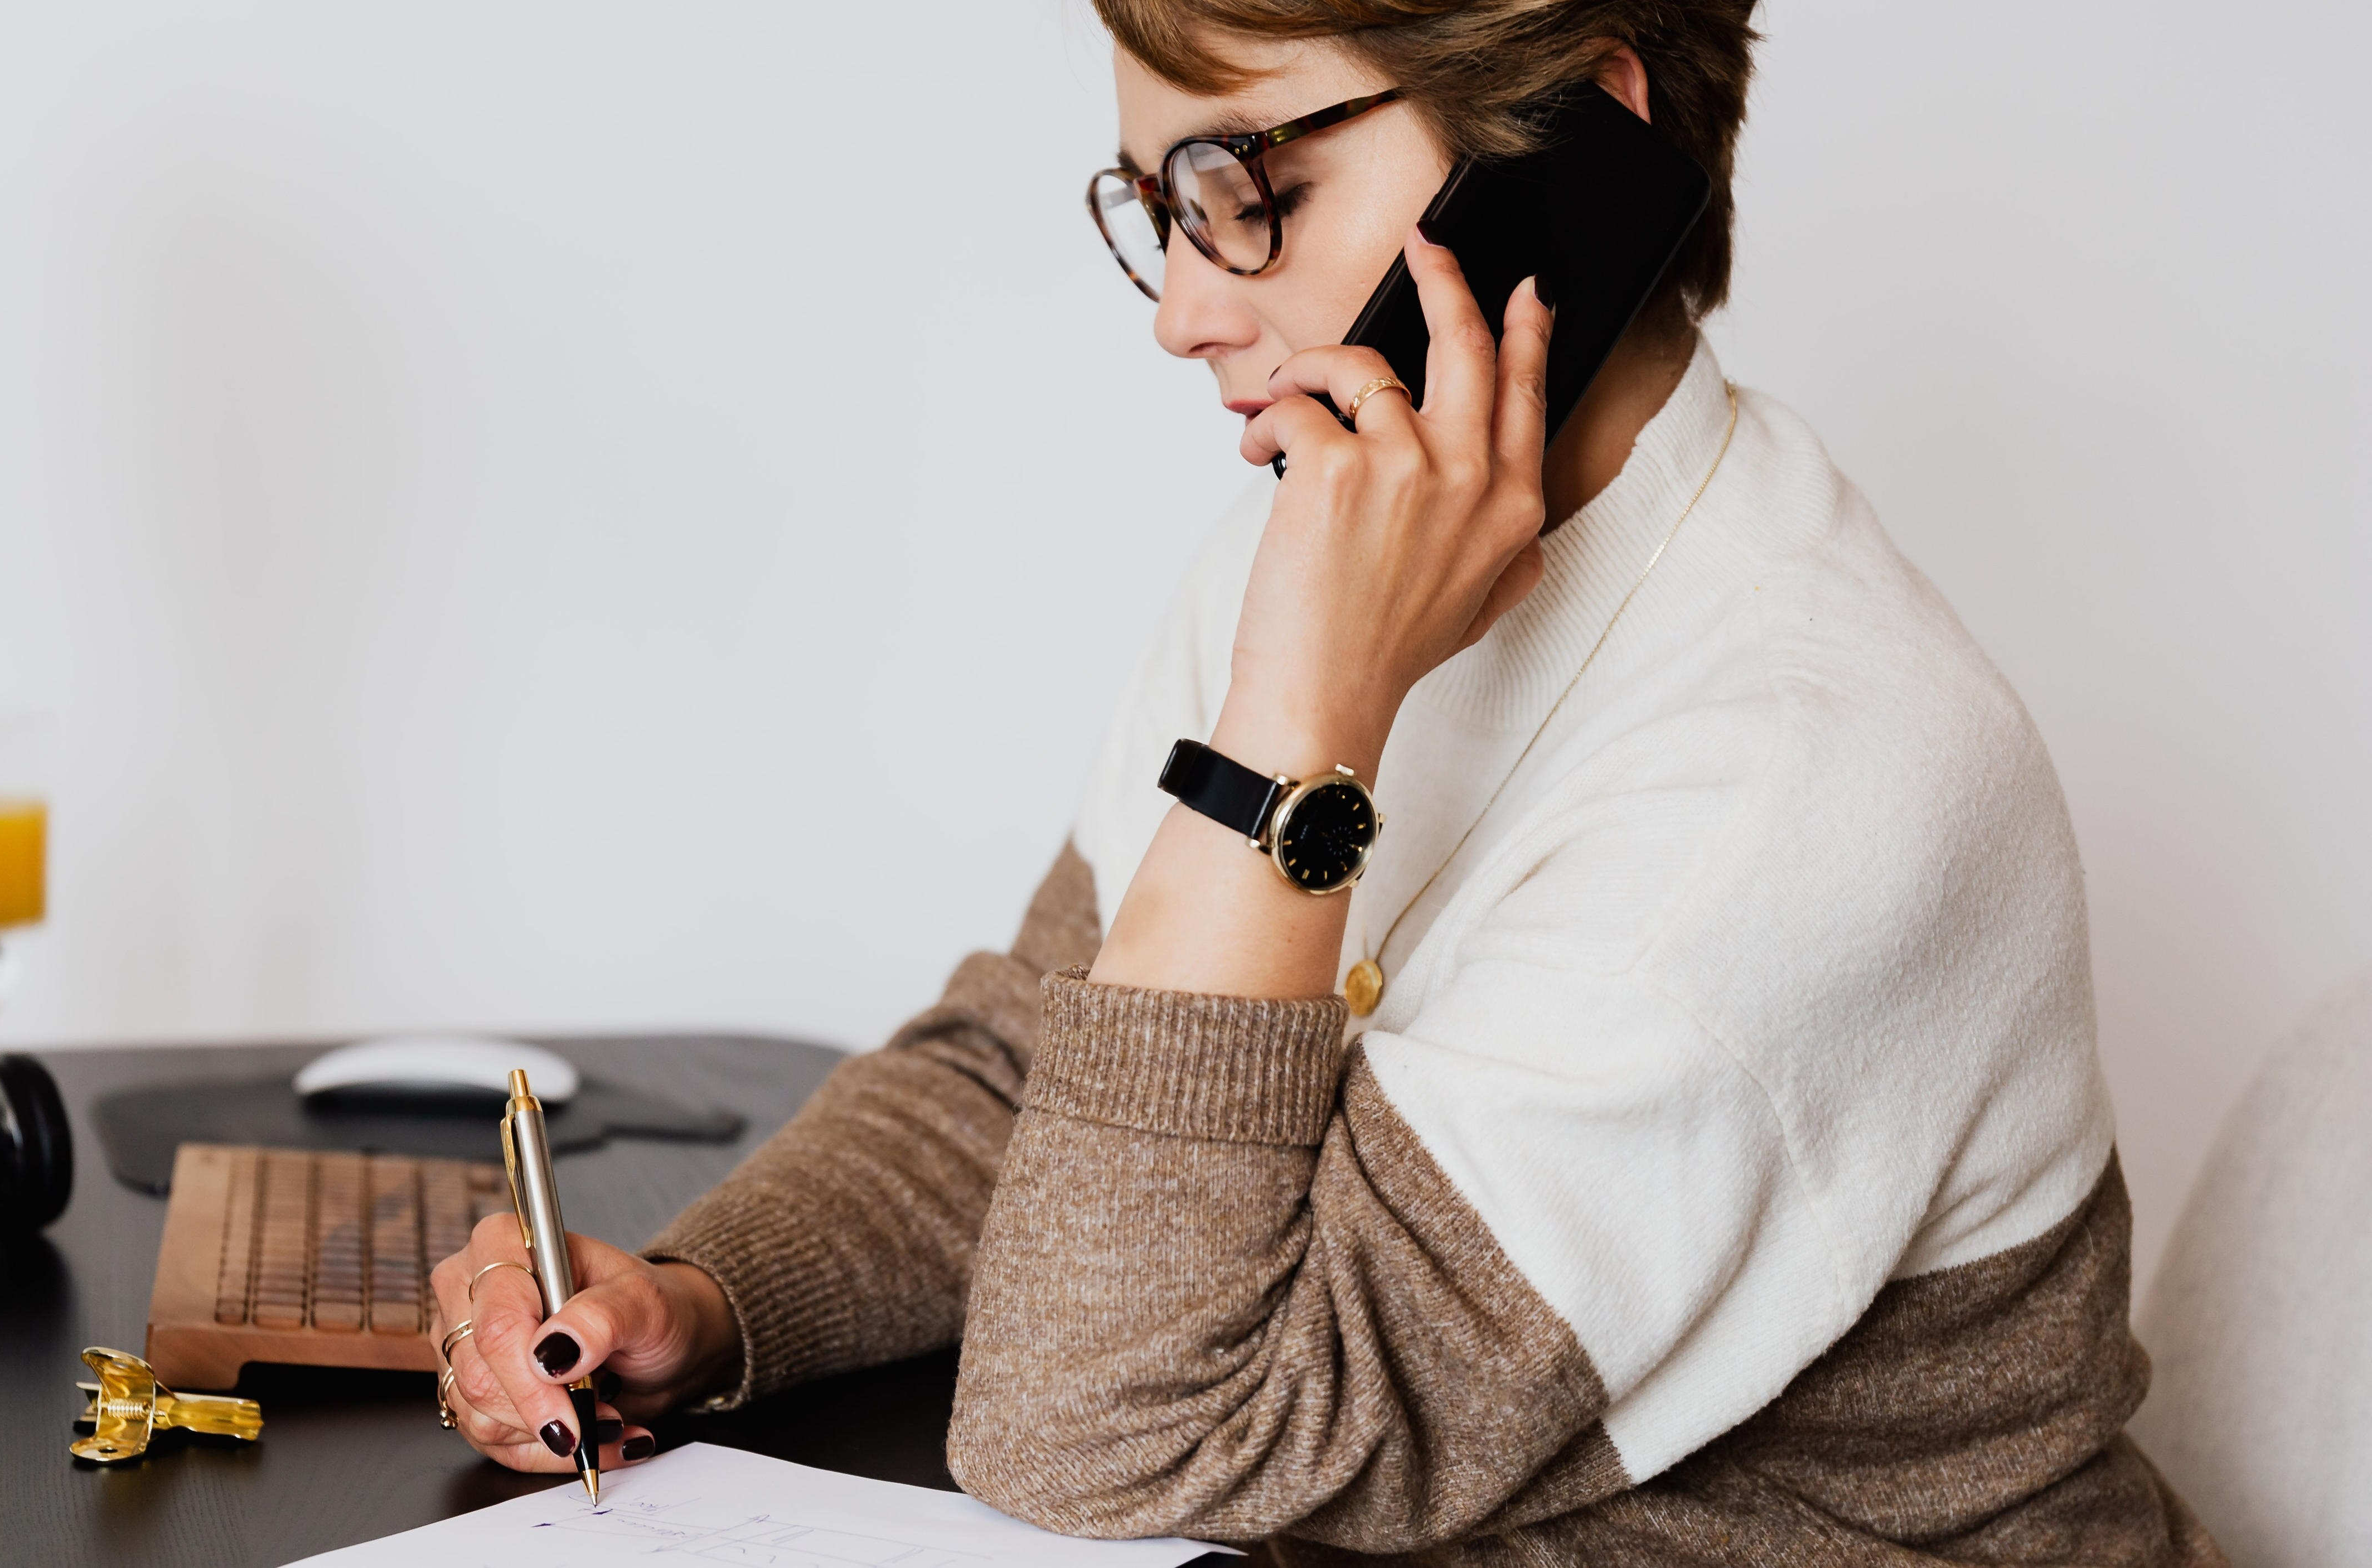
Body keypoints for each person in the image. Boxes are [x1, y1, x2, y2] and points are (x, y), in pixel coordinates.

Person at [430, 1, 2225, 1560]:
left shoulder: (1813, 774)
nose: (1182, 313)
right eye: (1157, 210)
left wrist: (1299, 718)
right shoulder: (1328, 552)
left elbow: (1099, 1428)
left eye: (1242, 192)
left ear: (1574, 143)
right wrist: (701, 1296)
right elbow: (1036, 1066)